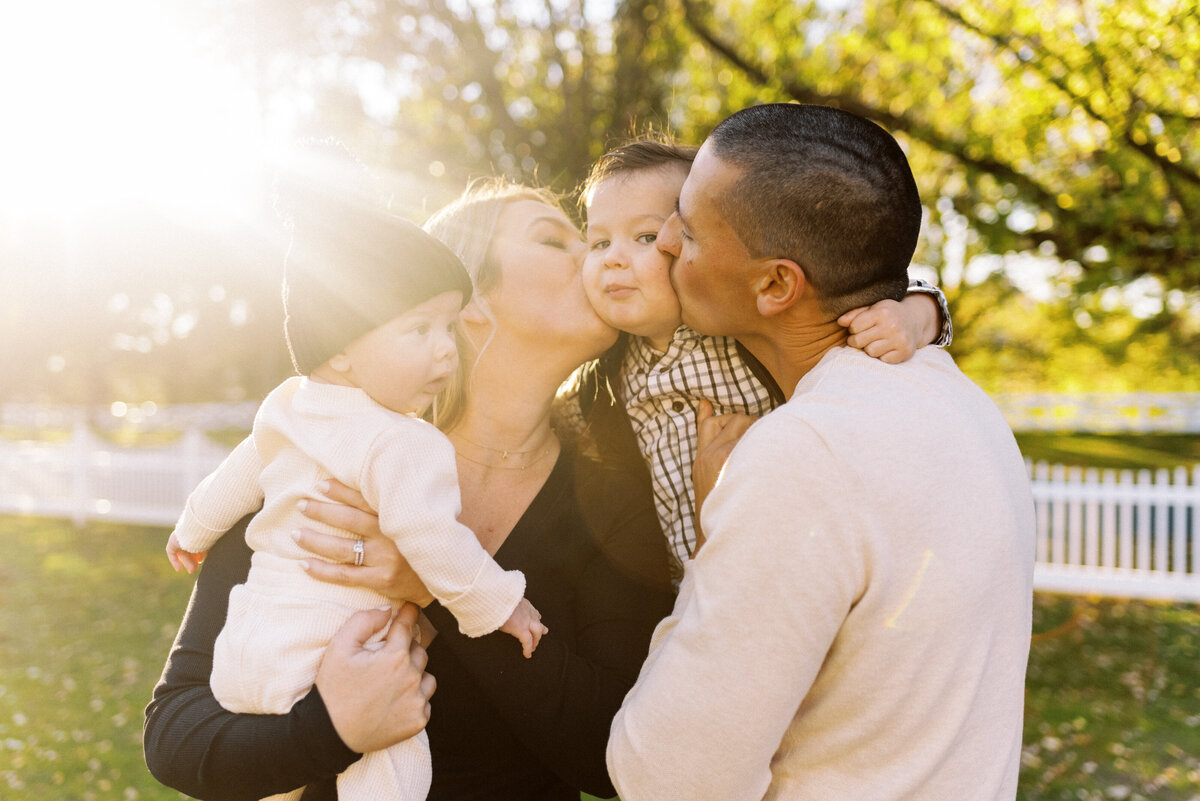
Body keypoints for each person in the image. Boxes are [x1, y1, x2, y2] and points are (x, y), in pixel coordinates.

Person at [144, 178, 676, 801]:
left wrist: (435, 593)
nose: (593, 255)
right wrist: (331, 732)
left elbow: (613, 759)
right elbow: (175, 735)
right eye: (553, 239)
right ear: (465, 302)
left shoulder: (614, 495)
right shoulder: (324, 455)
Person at [606, 104, 1036, 800]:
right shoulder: (962, 402)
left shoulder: (803, 456)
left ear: (775, 284)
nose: (666, 243)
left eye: (689, 225)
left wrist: (714, 532)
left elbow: (666, 777)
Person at [558, 136, 953, 577]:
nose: (613, 259)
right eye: (599, 243)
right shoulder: (600, 376)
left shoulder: (741, 328)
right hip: (684, 591)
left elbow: (852, 298)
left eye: (645, 236)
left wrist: (913, 316)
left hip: (793, 563)